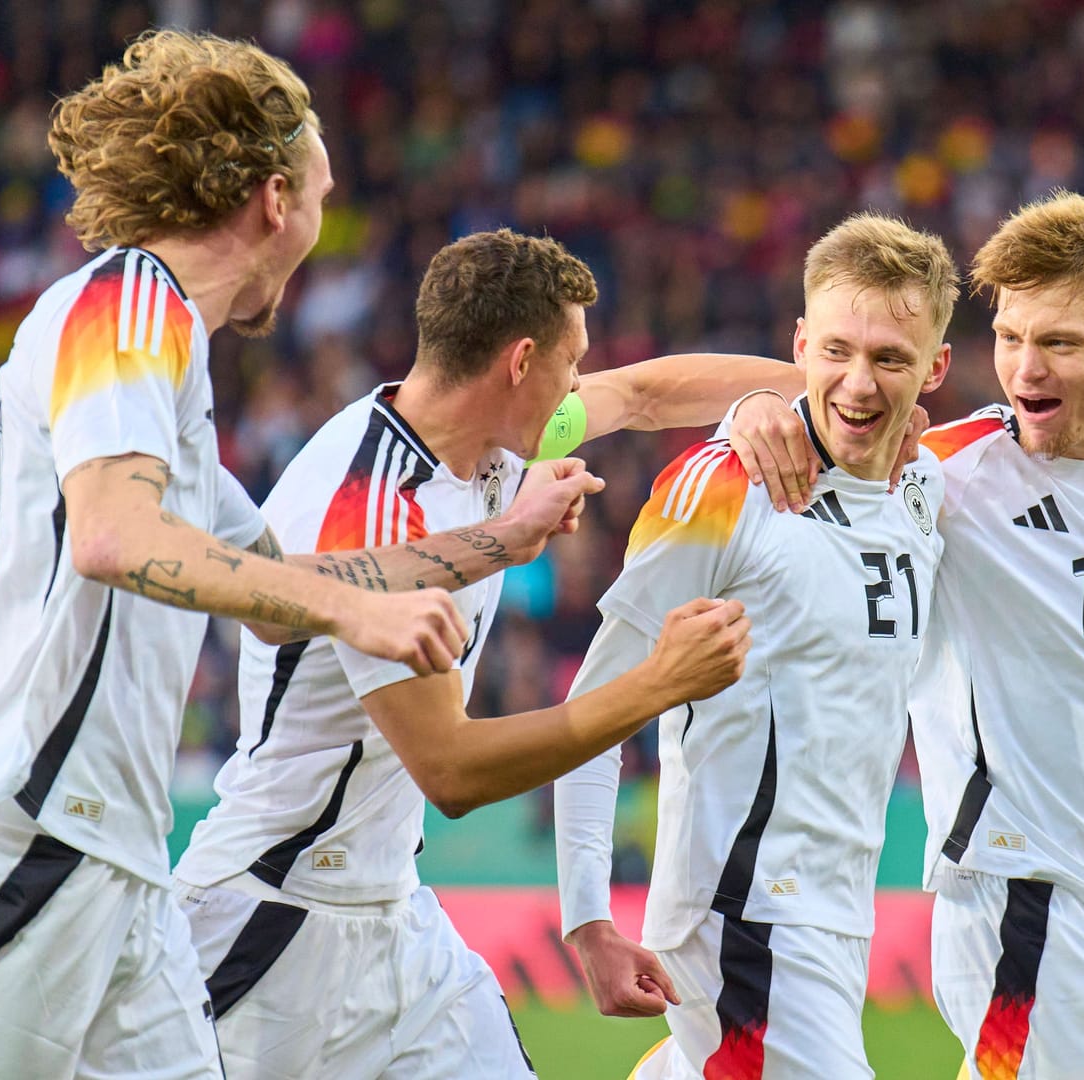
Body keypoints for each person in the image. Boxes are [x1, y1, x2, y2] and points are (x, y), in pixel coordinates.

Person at [0, 32, 592, 1079]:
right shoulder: (126, 302)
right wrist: (364, 615)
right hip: (28, 835)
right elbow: (113, 537)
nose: (321, 224)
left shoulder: (168, 373)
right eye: (319, 195)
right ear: (274, 200)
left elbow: (278, 595)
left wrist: (498, 539)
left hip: (121, 865)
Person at [731, 192, 1084, 1079]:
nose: (1025, 368)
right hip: (1018, 899)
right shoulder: (943, 472)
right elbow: (829, 412)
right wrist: (752, 411)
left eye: (1060, 343)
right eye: (1010, 338)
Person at [175, 227, 763, 1079]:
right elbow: (450, 770)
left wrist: (802, 397)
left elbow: (643, 394)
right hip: (271, 924)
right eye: (571, 362)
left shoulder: (484, 446)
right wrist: (656, 685)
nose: (578, 386)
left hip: (397, 921)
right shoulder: (371, 509)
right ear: (521, 362)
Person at [554, 213, 958, 1080]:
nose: (858, 383)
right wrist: (587, 919)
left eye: (891, 359)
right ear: (800, 344)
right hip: (741, 914)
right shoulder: (725, 484)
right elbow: (594, 707)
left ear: (935, 370)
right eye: (837, 351)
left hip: (837, 912)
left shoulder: (928, 488)